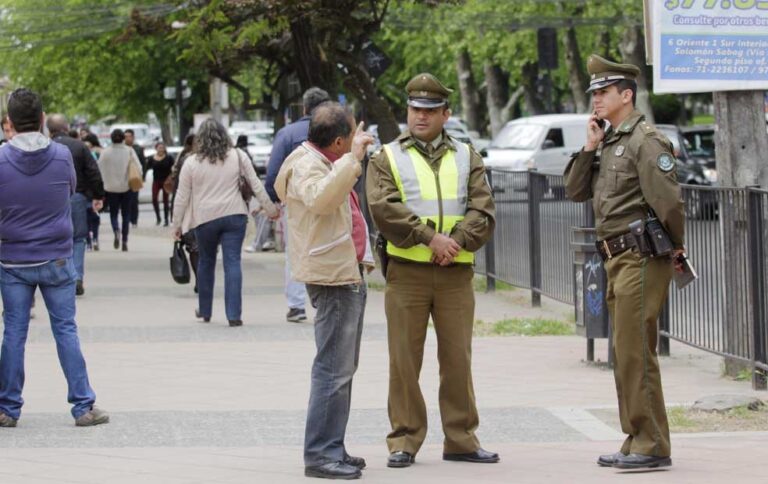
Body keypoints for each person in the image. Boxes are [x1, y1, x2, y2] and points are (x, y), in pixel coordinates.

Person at [366, 73, 498, 468]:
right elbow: (384, 208)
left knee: (458, 358)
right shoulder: (386, 157)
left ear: (446, 114)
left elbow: (483, 208)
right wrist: (430, 239)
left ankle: (461, 439)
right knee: (404, 360)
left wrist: (454, 240)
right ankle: (404, 439)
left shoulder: (467, 155)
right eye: (414, 109)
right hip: (407, 272)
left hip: (455, 273)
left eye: (429, 110)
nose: (420, 117)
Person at [564, 55, 686, 470]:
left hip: (641, 254)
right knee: (626, 351)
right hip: (616, 256)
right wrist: (589, 147)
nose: (596, 100)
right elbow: (575, 190)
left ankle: (652, 443)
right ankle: (636, 436)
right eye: (594, 93)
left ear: (626, 95)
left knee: (636, 351)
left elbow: (668, 202)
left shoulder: (645, 140)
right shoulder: (612, 139)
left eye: (603, 92)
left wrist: (676, 247)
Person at [276, 102, 375, 480]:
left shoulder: (323, 158)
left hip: (345, 271)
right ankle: (320, 453)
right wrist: (353, 160)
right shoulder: (307, 164)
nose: (356, 140)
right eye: (351, 134)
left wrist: (348, 159)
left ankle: (333, 446)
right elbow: (320, 199)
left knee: (342, 368)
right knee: (332, 369)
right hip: (332, 277)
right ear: (337, 142)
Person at [0, 88, 108, 428]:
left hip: (13, 259)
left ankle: (7, 408)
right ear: (43, 119)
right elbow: (69, 188)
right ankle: (83, 406)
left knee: (13, 332)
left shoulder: (0, 159)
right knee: (65, 330)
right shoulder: (61, 156)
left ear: (10, 123)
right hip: (57, 257)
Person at [172, 119, 278, 327]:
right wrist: (270, 208)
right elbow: (256, 183)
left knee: (206, 262)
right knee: (232, 263)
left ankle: (205, 310)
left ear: (199, 139)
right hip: (234, 215)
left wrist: (177, 225)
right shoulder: (238, 156)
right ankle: (234, 314)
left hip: (204, 219)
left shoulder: (191, 162)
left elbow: (182, 196)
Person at [265, 87, 331, 323]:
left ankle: (296, 305)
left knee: (295, 252)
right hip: (329, 199)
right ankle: (325, 301)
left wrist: (275, 200)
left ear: (304, 108)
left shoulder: (287, 133)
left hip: (295, 204)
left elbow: (273, 172)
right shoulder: (337, 132)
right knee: (328, 247)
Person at [47, 114, 104, 296]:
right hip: (77, 196)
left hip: (50, 198)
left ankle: (58, 276)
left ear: (49, 130)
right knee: (78, 238)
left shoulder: (45, 147)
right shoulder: (79, 146)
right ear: (66, 127)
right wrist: (98, 195)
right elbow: (93, 171)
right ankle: (77, 276)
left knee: (55, 237)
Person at [97, 129, 142, 252]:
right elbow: (139, 168)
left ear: (111, 138)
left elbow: (98, 169)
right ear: (123, 138)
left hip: (110, 188)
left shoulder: (105, 152)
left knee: (113, 213)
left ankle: (116, 230)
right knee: (126, 214)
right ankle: (124, 241)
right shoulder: (129, 151)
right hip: (126, 187)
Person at [82, 133, 105, 251]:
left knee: (92, 217)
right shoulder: (87, 159)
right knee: (87, 217)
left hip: (90, 192)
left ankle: (93, 238)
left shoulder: (95, 157)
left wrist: (99, 194)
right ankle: (90, 240)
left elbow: (98, 177)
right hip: (86, 193)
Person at [124, 128, 145, 227]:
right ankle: (127, 219)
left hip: (135, 177)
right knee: (126, 200)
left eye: (129, 136)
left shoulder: (138, 149)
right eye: (126, 136)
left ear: (133, 137)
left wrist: (142, 177)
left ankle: (134, 220)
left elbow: (143, 164)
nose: (128, 138)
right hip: (124, 178)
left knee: (134, 200)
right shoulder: (122, 149)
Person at [149, 142, 173, 226]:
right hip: (156, 181)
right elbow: (147, 167)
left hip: (166, 181)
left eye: (162, 147)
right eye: (159, 147)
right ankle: (158, 217)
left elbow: (173, 168)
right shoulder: (152, 158)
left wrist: (171, 178)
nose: (161, 149)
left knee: (165, 200)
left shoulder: (169, 158)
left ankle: (166, 219)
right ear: (156, 148)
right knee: (154, 199)